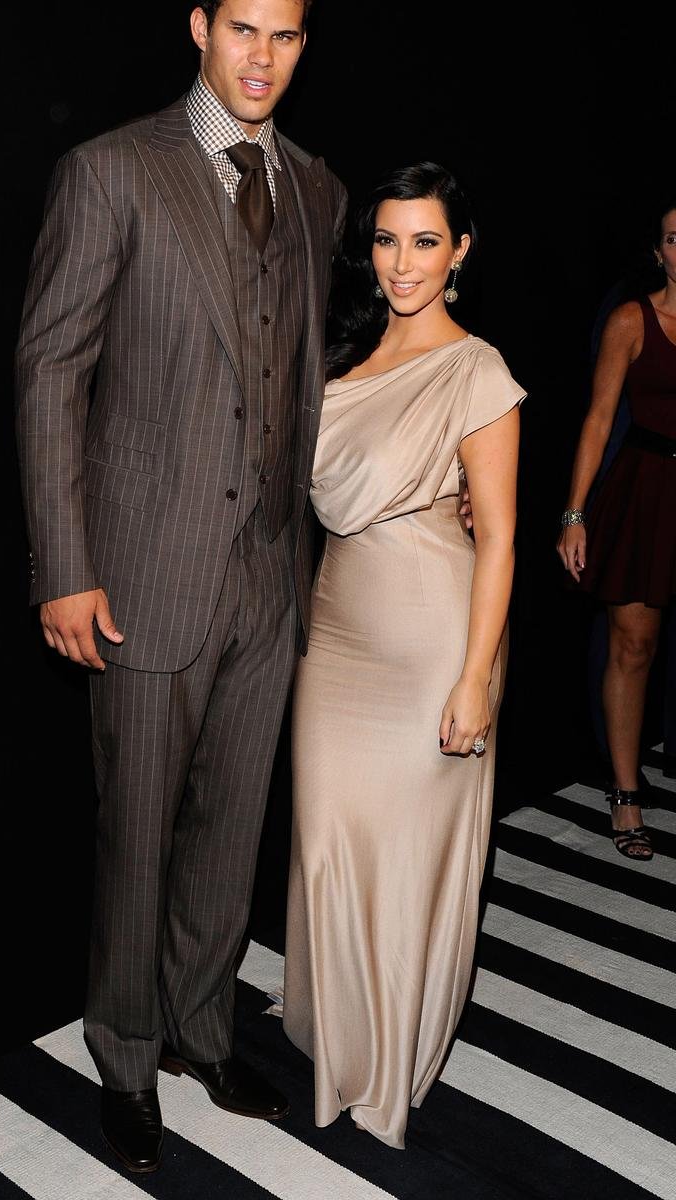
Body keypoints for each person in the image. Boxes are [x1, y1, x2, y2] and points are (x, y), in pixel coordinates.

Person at [14, 0, 347, 1174]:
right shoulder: (110, 171)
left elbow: (306, 379)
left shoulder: (315, 188)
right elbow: (50, 372)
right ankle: (123, 1056)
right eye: (243, 28)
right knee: (138, 834)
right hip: (143, 571)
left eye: (286, 36)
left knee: (229, 830)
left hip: (270, 572)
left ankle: (202, 1032)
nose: (262, 57)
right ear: (200, 27)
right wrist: (65, 568)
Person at [282, 162, 525, 1149]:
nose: (403, 262)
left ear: (460, 251)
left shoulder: (477, 371)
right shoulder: (344, 351)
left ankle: (382, 1069)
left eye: (425, 241)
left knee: (404, 861)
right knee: (329, 842)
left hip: (434, 642)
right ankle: (335, 1034)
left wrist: (474, 678)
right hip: (336, 633)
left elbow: (499, 540)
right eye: (387, 239)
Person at [557, 199, 676, 861]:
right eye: (674, 238)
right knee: (633, 647)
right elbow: (599, 419)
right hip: (646, 492)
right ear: (659, 252)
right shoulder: (633, 319)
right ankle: (626, 793)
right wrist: (574, 513)